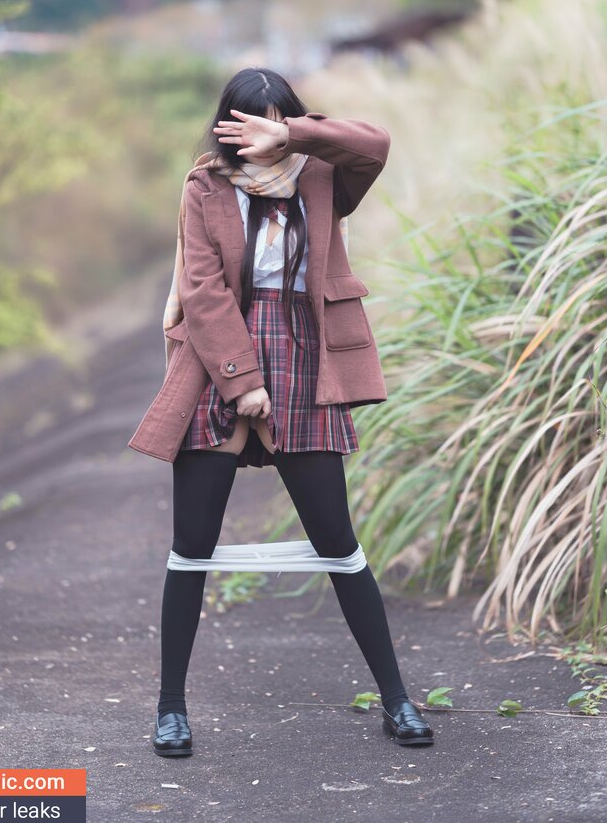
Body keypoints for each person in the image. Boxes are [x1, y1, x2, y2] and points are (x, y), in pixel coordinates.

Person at [129, 67, 434, 756]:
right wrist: (241, 380)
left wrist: (292, 136)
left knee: (339, 544)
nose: (261, 135)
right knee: (191, 548)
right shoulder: (206, 187)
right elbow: (202, 290)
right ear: (226, 127)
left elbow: (375, 144)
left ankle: (397, 700)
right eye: (249, 123)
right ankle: (170, 710)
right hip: (218, 357)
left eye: (274, 119)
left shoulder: (322, 176)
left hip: (305, 355)